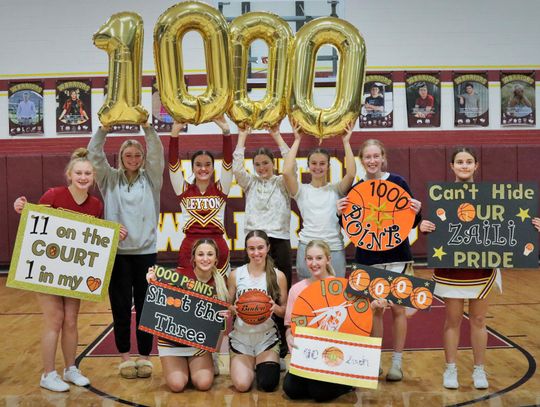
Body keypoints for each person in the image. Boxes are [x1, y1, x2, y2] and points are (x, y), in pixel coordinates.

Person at [13, 148, 107, 392]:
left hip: (72, 270)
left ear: (93, 176)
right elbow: (35, 221)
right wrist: (22, 207)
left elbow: (93, 240)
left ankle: (70, 368)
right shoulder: (53, 195)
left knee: (72, 321)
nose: (83, 177)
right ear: (69, 174)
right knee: (54, 320)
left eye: (88, 173)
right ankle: (47, 374)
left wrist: (115, 231)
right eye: (79, 172)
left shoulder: (95, 204)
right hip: (47, 268)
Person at [337, 139, 422, 382]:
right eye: (367, 157)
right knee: (374, 311)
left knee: (397, 310)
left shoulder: (398, 182)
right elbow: (349, 227)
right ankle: (373, 361)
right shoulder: (355, 188)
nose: (372, 161)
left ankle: (397, 362)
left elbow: (411, 222)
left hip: (398, 257)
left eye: (376, 156)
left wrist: (418, 211)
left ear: (383, 157)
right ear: (361, 160)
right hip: (368, 258)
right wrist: (338, 212)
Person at [87, 122, 164, 379]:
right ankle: (124, 357)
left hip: (146, 254)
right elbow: (94, 154)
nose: (133, 159)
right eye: (128, 155)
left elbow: (157, 152)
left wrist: (148, 129)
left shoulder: (152, 178)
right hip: (117, 255)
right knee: (120, 308)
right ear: (120, 158)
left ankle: (144, 356)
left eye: (137, 155)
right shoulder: (108, 179)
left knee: (146, 308)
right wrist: (104, 129)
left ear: (143, 159)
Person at [419, 147, 500, 390]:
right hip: (451, 267)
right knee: (452, 320)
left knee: (478, 318)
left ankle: (479, 370)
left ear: (476, 166)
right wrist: (424, 225)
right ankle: (451, 368)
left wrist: (531, 225)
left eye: (468, 162)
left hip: (481, 266)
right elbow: (431, 226)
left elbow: (507, 225)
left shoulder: (491, 196)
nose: (464, 166)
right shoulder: (440, 196)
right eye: (459, 162)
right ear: (451, 166)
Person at [283, 240, 385, 402]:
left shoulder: (346, 290)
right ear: (305, 260)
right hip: (310, 356)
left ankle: (348, 381)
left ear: (328, 259)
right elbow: (290, 326)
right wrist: (289, 335)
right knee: (291, 389)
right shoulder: (297, 290)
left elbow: (369, 335)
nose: (314, 263)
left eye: (319, 258)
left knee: (319, 392)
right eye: (309, 258)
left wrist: (376, 314)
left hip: (337, 357)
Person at [146, 239, 229, 392]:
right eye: (201, 254)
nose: (205, 258)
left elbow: (220, 331)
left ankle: (198, 366)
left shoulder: (220, 285)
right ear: (193, 258)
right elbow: (158, 302)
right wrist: (153, 283)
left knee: (203, 384)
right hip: (172, 342)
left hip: (197, 345)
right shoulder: (178, 277)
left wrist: (213, 352)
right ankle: (183, 367)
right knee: (177, 385)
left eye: (210, 254)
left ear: (216, 259)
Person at [282, 121, 356, 279]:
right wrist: (297, 140)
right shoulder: (301, 190)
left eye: (322, 163)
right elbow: (287, 172)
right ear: (308, 166)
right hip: (308, 247)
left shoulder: (336, 189)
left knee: (336, 293)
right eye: (314, 163)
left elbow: (350, 174)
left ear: (328, 166)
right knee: (308, 293)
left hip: (334, 248)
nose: (318, 167)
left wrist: (346, 141)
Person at [169, 115, 232, 277]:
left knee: (220, 295)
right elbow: (173, 165)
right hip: (190, 247)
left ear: (212, 168)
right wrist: (174, 135)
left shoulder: (220, 188)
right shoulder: (184, 190)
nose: (203, 168)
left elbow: (227, 163)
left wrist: (226, 132)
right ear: (192, 168)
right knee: (188, 294)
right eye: (198, 164)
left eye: (207, 164)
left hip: (217, 247)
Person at [227, 230, 288, 392]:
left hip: (266, 339)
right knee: (241, 386)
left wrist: (273, 307)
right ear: (246, 250)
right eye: (251, 248)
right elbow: (227, 307)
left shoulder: (278, 276)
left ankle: (265, 362)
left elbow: (285, 312)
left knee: (267, 384)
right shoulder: (235, 275)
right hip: (241, 338)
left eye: (260, 247)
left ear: (268, 247)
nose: (256, 253)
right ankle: (246, 361)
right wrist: (234, 309)